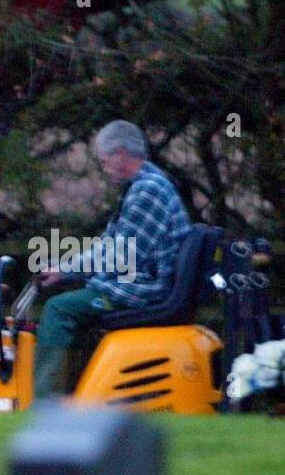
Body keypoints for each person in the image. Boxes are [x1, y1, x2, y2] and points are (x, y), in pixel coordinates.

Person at [34, 120, 192, 397]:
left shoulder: (148, 191)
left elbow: (121, 257)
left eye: (104, 160)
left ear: (120, 153)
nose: (103, 167)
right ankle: (77, 395)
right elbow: (108, 246)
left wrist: (69, 273)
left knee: (58, 309)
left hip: (143, 291)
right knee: (76, 299)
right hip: (138, 283)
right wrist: (64, 270)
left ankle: (45, 403)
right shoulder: (143, 185)